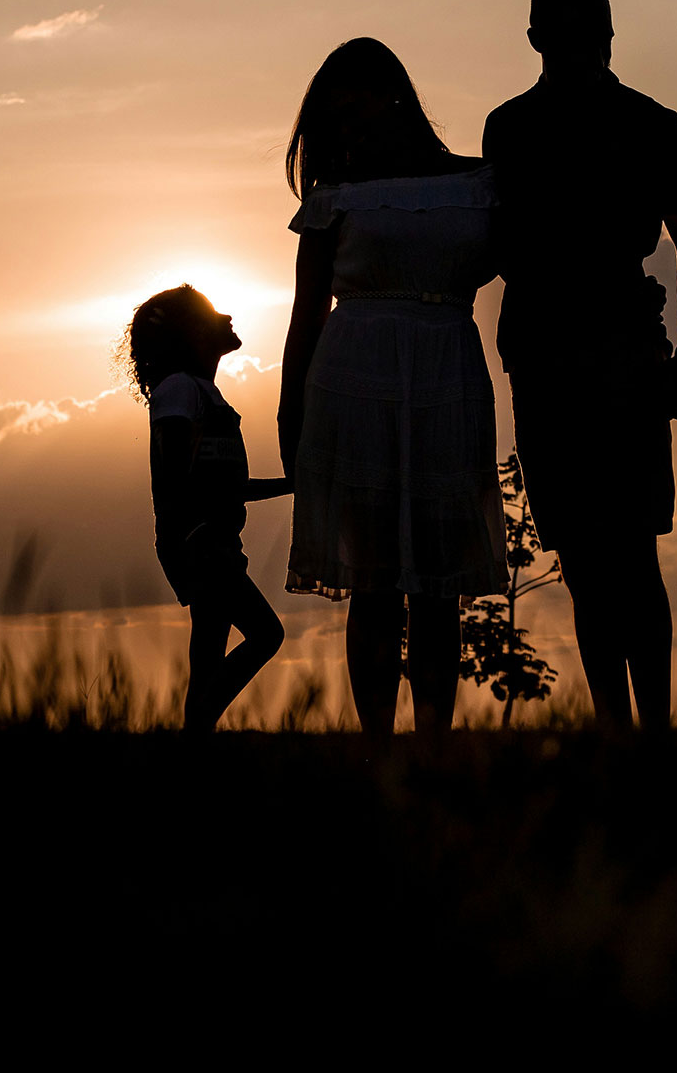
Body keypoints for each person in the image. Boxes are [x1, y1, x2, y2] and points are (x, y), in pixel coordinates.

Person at [482, 0, 677, 731]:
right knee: (590, 558)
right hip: (559, 351)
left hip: (612, 350)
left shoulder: (647, 122)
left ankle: (644, 730)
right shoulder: (512, 127)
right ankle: (627, 732)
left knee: (622, 553)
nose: (586, 40)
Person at [278, 38, 508, 742]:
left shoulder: (476, 183)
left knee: (438, 585)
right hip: (353, 385)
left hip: (446, 376)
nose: (348, 130)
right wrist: (292, 420)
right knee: (374, 582)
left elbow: (532, 267)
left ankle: (433, 743)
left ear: (395, 96)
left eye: (355, 109)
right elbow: (305, 315)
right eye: (334, 120)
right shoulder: (334, 199)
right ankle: (377, 747)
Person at [127, 285, 287, 731]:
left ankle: (194, 753)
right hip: (201, 544)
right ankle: (193, 731)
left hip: (211, 541)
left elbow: (226, 488)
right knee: (266, 634)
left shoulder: (199, 392)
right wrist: (193, 536)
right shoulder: (180, 390)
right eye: (213, 313)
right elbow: (173, 475)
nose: (228, 317)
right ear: (190, 332)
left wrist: (294, 485)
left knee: (207, 657)